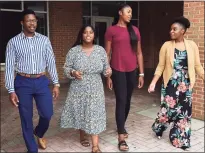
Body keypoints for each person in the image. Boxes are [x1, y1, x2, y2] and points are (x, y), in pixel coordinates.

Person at [5, 9, 60, 153]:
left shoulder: (44, 40)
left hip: (41, 81)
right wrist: (11, 90)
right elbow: (10, 68)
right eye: (28, 20)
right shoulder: (13, 42)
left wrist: (56, 83)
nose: (32, 23)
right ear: (22, 23)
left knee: (47, 114)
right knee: (26, 117)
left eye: (34, 20)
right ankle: (32, 149)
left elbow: (51, 63)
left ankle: (39, 133)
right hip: (23, 82)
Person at [148, 16, 204, 150]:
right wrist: (153, 82)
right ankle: (158, 127)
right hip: (170, 84)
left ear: (183, 31)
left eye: (175, 29)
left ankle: (180, 140)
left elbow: (197, 66)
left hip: (186, 85)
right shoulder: (166, 46)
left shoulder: (192, 45)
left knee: (183, 114)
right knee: (168, 110)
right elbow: (160, 66)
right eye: (171, 29)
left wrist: (203, 76)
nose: (171, 31)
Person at [60, 25, 112, 153]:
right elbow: (66, 69)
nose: (88, 35)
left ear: (94, 35)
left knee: (95, 113)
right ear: (81, 35)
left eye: (91, 32)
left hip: (96, 87)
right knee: (81, 111)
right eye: (85, 32)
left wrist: (108, 72)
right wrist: (73, 72)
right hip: (79, 87)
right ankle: (82, 135)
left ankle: (95, 146)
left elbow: (106, 68)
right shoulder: (74, 51)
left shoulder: (100, 50)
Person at [104, 3, 144, 151]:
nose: (130, 14)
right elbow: (107, 54)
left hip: (132, 70)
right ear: (120, 12)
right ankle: (121, 136)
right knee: (121, 100)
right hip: (117, 70)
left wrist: (141, 73)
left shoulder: (135, 31)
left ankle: (121, 125)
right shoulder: (111, 30)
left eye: (131, 12)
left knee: (127, 100)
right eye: (128, 12)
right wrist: (108, 75)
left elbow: (139, 53)